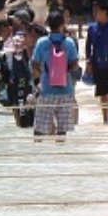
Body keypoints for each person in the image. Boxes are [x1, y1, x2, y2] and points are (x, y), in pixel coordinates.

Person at [31, 10, 79, 139]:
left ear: (48, 24)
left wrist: (42, 77)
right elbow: (75, 64)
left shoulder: (42, 42)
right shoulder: (69, 42)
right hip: (66, 90)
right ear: (62, 24)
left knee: (39, 130)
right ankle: (60, 155)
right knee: (62, 131)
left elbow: (34, 64)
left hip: (47, 89)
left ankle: (37, 156)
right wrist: (63, 71)